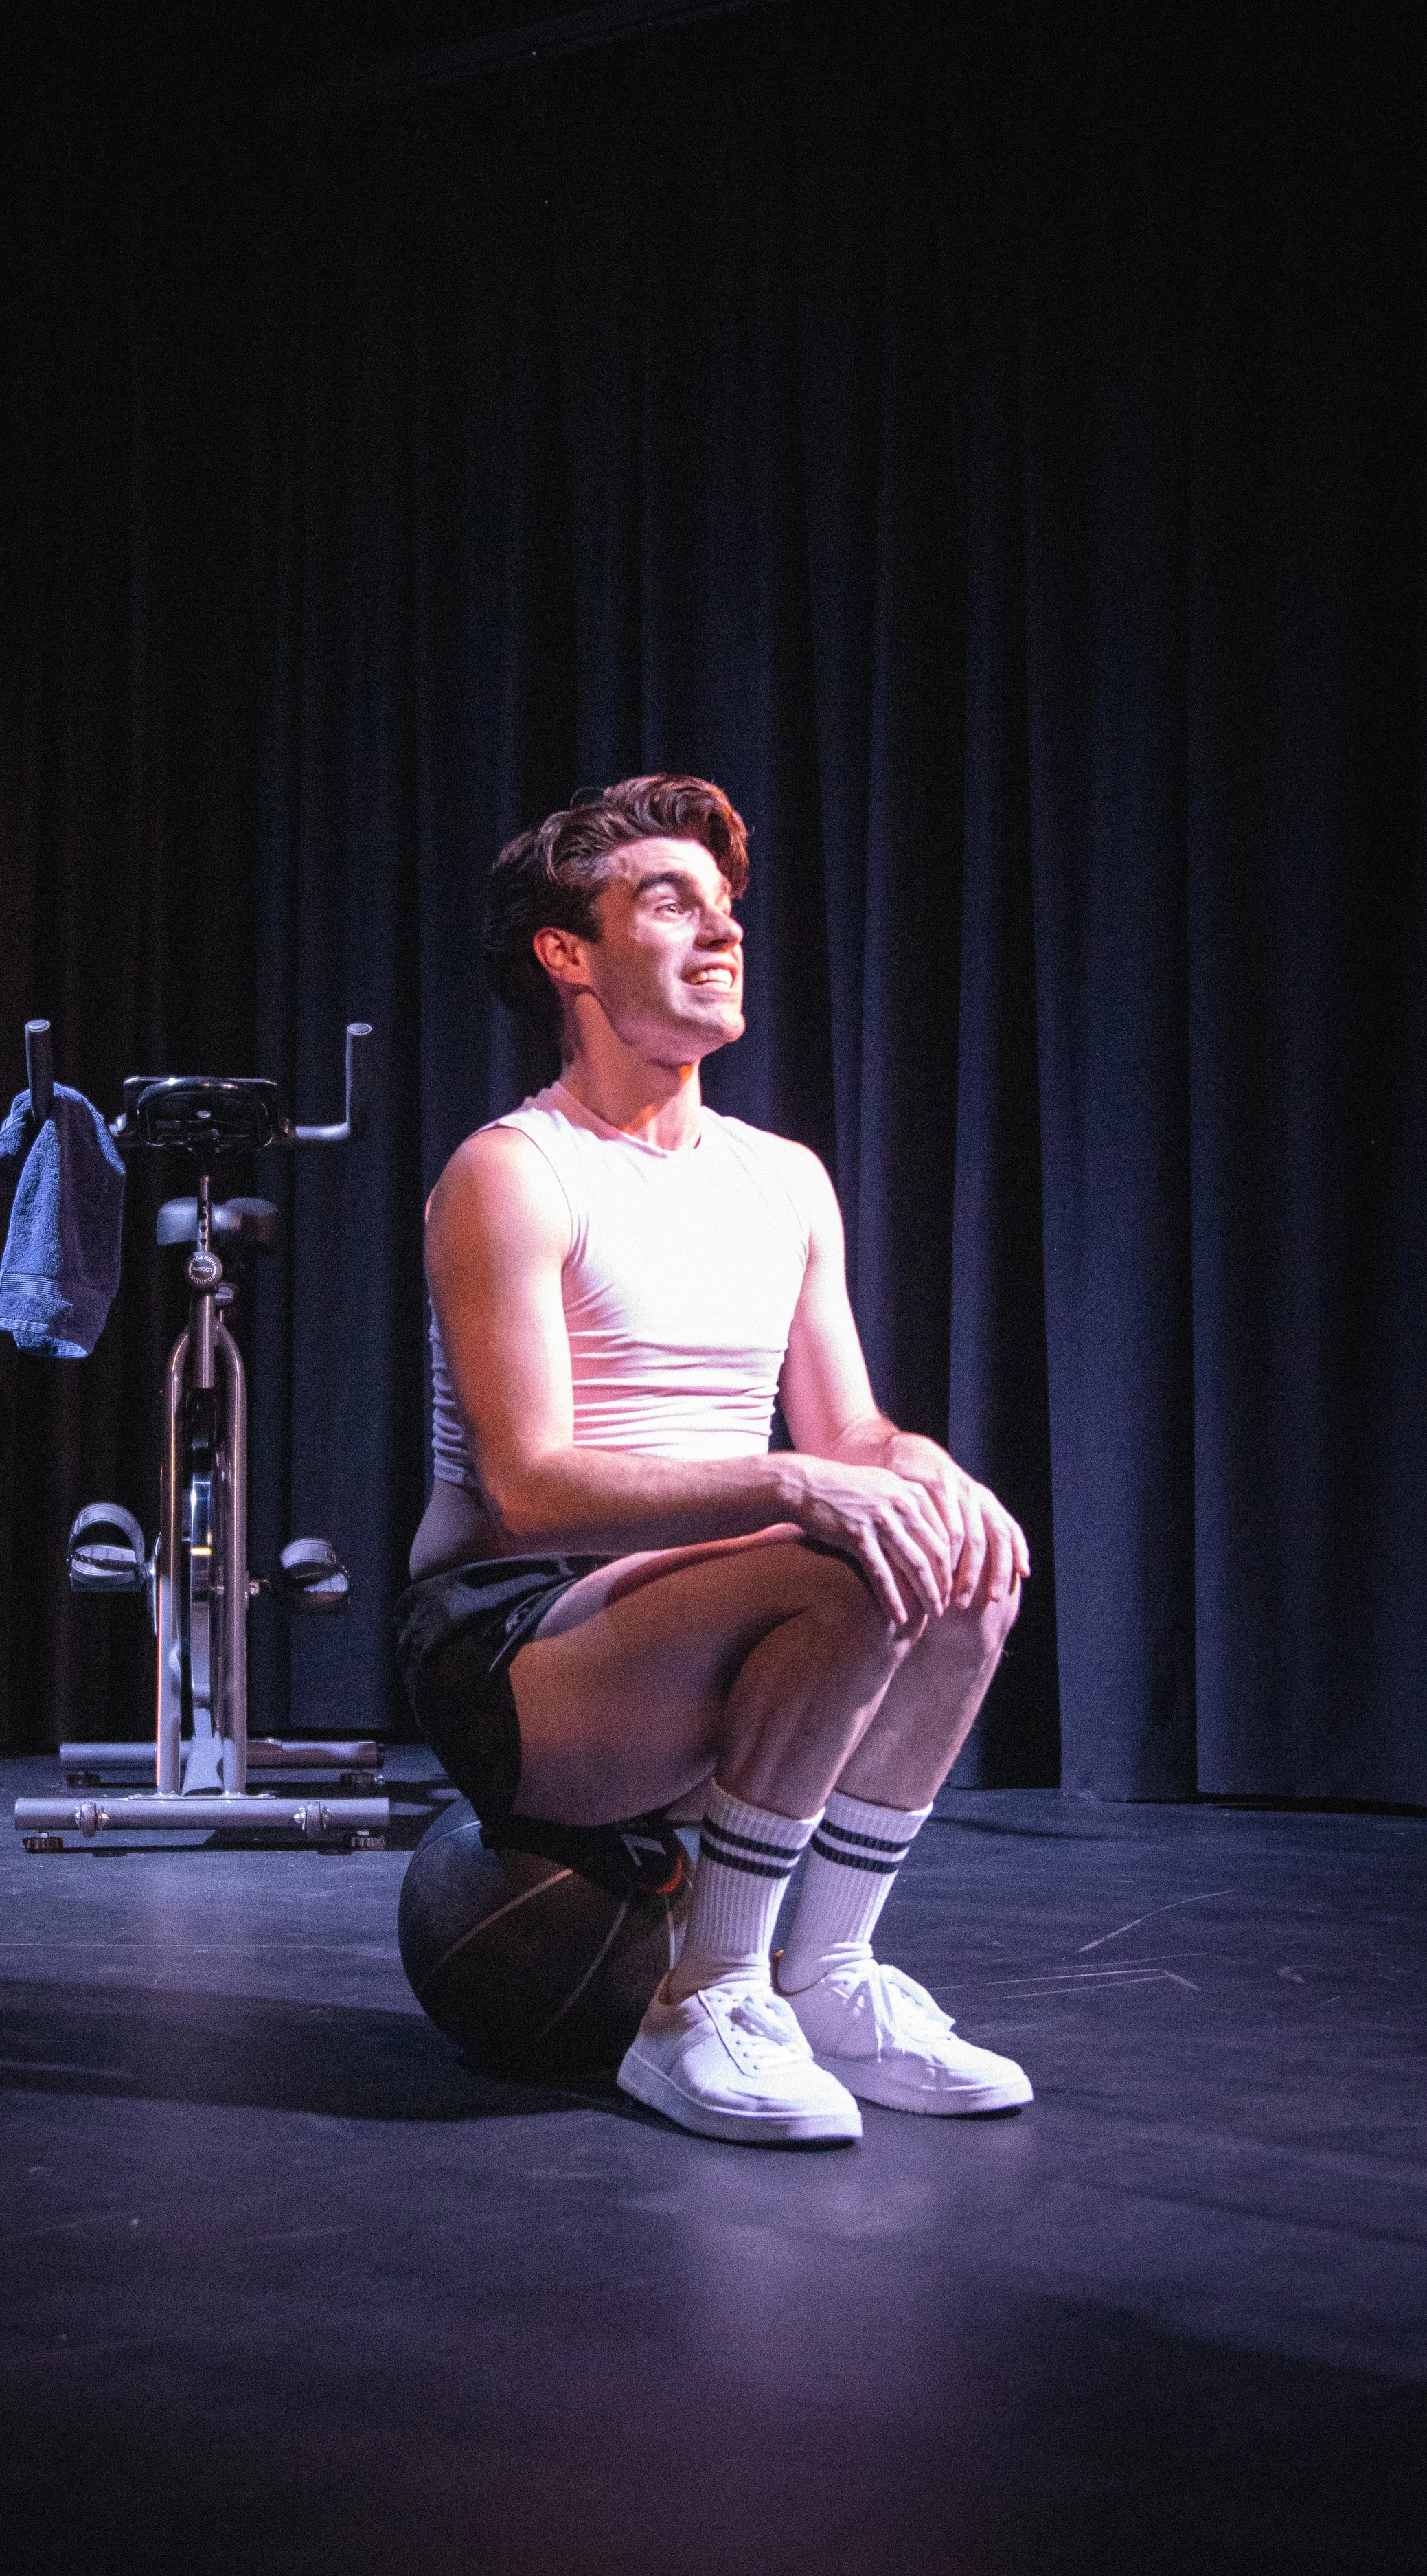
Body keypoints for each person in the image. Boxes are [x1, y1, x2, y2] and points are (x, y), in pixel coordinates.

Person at [396, 776, 1033, 2146]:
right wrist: (793, 1484)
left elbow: (849, 1429)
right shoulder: (514, 1172)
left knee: (965, 1557)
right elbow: (526, 1490)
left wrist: (914, 1468)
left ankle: (831, 1975)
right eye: (667, 900)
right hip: (517, 1648)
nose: (718, 930)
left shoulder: (782, 1178)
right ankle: (705, 2001)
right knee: (837, 1564)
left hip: (695, 1609)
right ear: (567, 952)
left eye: (726, 905)